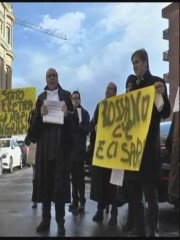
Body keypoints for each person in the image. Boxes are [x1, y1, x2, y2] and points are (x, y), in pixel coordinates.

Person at [124, 49, 171, 237]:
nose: (134, 66)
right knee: (136, 199)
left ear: (145, 62)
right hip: (132, 153)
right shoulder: (133, 88)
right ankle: (141, 232)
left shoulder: (155, 84)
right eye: (132, 63)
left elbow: (164, 111)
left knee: (151, 196)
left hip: (148, 152)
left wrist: (162, 95)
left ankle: (153, 232)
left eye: (136, 62)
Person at [32, 68, 78, 235]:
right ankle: (45, 220)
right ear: (46, 79)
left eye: (54, 75)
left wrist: (67, 115)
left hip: (60, 150)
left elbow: (75, 120)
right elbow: (34, 126)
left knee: (59, 188)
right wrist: (39, 114)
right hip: (45, 150)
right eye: (49, 76)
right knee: (45, 185)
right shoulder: (41, 98)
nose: (51, 78)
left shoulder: (65, 96)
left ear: (58, 78)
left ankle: (60, 222)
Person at [89, 82, 119, 226]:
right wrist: (94, 126)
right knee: (101, 183)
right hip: (102, 151)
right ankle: (100, 211)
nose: (108, 91)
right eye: (107, 88)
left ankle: (114, 213)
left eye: (111, 89)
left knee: (113, 184)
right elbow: (93, 124)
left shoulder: (120, 106)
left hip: (114, 152)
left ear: (115, 92)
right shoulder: (100, 106)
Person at [68, 90, 90, 213]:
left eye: (77, 98)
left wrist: (79, 125)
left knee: (80, 179)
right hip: (71, 151)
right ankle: (74, 201)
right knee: (73, 179)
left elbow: (87, 129)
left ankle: (82, 201)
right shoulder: (70, 113)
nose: (75, 100)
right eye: (73, 98)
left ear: (80, 99)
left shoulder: (85, 113)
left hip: (80, 151)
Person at [120, 74, 137, 232]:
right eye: (127, 85)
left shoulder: (139, 101)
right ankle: (132, 220)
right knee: (128, 189)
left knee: (136, 193)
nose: (129, 88)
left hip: (136, 154)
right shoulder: (122, 104)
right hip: (124, 155)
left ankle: (134, 221)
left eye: (131, 85)